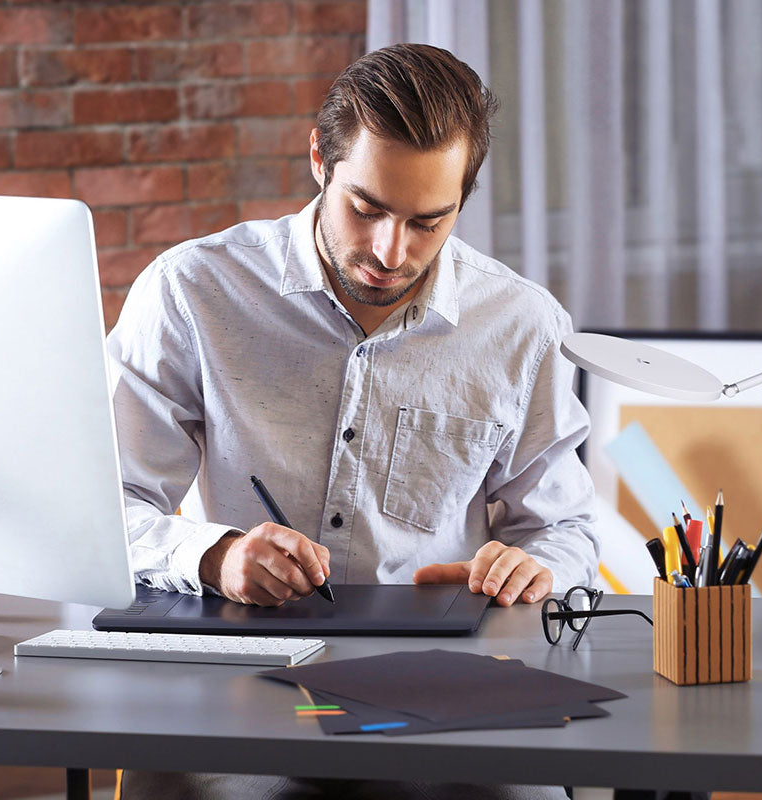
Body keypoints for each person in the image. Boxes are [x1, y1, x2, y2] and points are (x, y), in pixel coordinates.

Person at [108, 43, 596, 799]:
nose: (388, 252)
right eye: (365, 209)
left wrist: (537, 567)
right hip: (248, 688)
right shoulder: (190, 291)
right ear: (318, 160)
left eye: (428, 221)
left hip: (449, 699)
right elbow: (108, 507)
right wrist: (215, 556)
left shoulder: (521, 323)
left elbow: (565, 530)